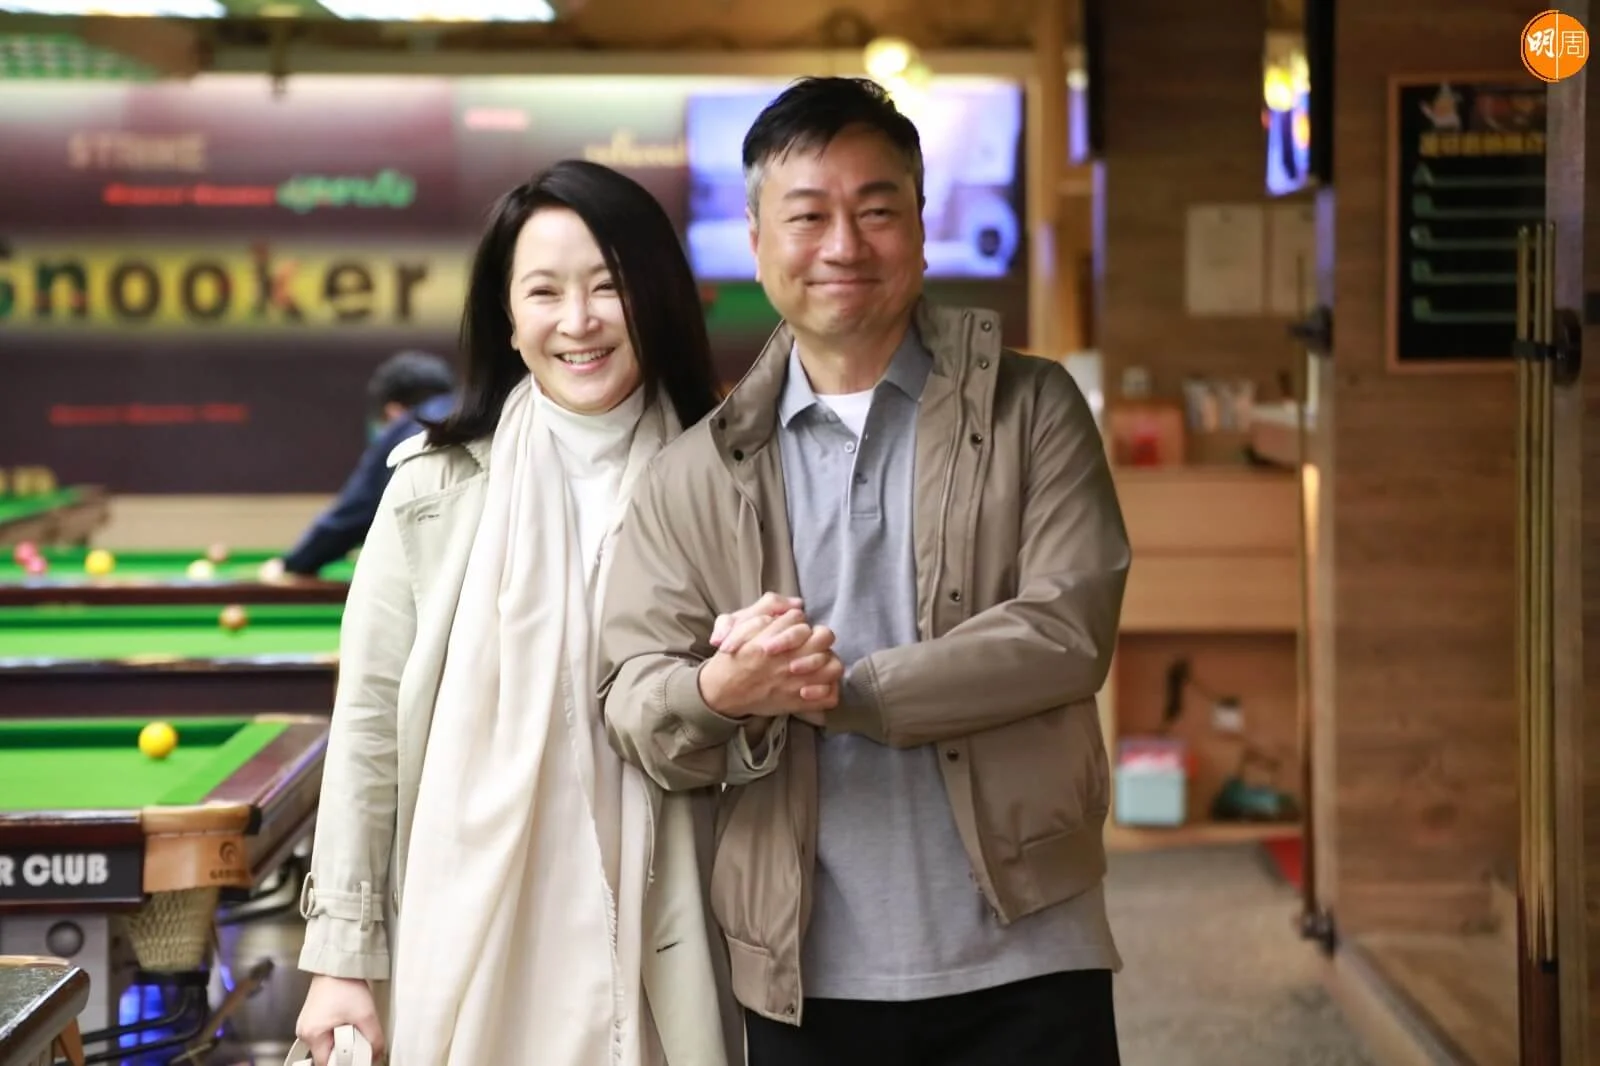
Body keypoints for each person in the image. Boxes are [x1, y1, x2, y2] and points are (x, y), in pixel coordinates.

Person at [598, 76, 1131, 1065]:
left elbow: (1066, 632)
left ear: (921, 228)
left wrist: (837, 691)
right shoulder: (695, 471)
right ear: (756, 239)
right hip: (802, 966)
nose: (843, 245)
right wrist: (720, 691)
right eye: (807, 216)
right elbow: (634, 699)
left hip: (1030, 945)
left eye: (877, 210)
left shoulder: (1032, 408)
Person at [291, 160, 743, 1066]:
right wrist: (341, 957)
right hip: (466, 927)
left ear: (656, 296)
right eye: (544, 291)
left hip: (674, 923)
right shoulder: (430, 487)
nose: (578, 320)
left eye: (608, 286)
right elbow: (369, 725)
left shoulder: (735, 477)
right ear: (507, 315)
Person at [261, 350, 457, 581]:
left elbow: (353, 514)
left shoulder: (403, 430)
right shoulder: (480, 418)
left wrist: (293, 564)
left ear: (392, 410)